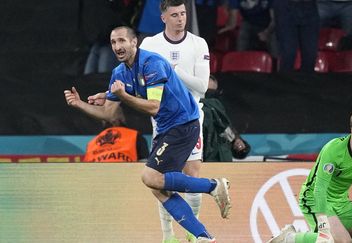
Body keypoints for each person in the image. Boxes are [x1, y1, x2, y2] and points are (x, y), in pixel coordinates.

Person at [64, 26, 231, 243]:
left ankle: (213, 186)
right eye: (113, 43)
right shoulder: (119, 73)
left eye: (122, 41)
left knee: (149, 176)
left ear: (134, 43)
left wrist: (122, 95)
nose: (117, 47)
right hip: (165, 129)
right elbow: (107, 114)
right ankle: (203, 236)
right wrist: (79, 105)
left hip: (184, 124)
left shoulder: (153, 64)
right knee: (157, 186)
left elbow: (153, 107)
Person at [138, 0, 210, 241]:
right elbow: (142, 81)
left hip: (191, 119)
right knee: (160, 179)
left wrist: (173, 71)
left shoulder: (198, 44)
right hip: (163, 121)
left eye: (183, 13)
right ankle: (168, 236)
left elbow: (202, 86)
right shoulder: (150, 44)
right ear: (163, 18)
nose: (181, 19)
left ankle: (192, 234)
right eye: (175, 15)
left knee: (192, 175)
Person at [268, 109, 352, 243]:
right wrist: (323, 226)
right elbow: (320, 188)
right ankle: (290, 239)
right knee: (337, 241)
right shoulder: (334, 150)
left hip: (341, 203)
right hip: (314, 197)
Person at [83, 96, 149, 162]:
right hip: (125, 171)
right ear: (122, 118)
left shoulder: (91, 144)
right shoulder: (135, 136)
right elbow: (144, 164)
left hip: (97, 171)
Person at [201, 75, 251, 162]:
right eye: (207, 91)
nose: (211, 98)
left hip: (222, 160)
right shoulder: (193, 107)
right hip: (202, 159)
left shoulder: (218, 106)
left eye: (213, 92)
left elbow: (226, 128)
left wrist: (238, 142)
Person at [272, 0, 320, 72]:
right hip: (285, 6)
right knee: (288, 54)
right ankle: (284, 81)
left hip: (309, 6)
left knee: (310, 54)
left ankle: (306, 81)